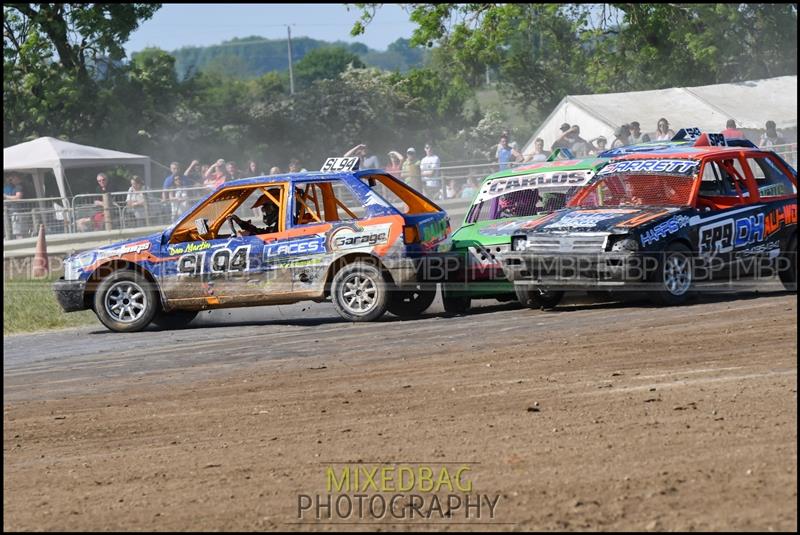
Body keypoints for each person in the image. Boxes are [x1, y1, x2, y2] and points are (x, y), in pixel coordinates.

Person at [4, 173, 31, 238]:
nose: (11, 181)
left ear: (16, 177)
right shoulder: (19, 186)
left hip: (19, 213)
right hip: (20, 212)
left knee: (19, 233)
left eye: (11, 179)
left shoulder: (19, 186)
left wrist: (5, 196)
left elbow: (18, 197)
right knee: (21, 232)